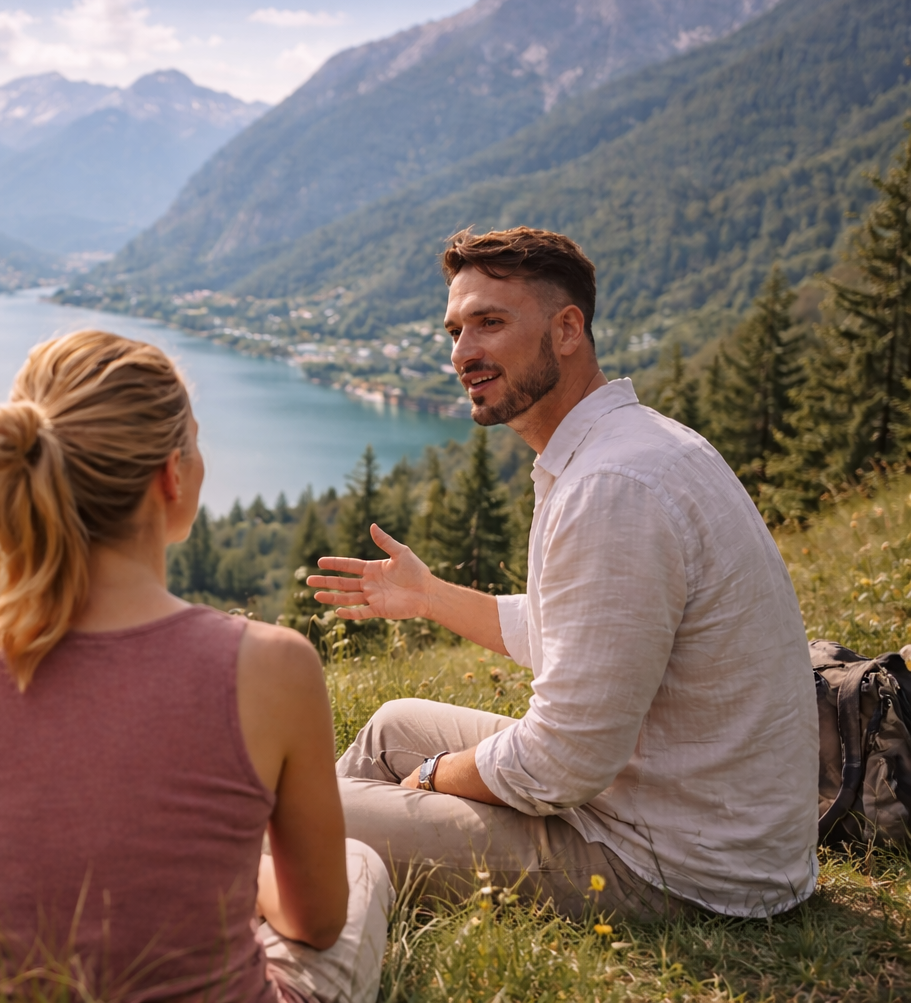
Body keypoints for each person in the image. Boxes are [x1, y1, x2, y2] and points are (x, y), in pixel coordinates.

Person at [309, 228, 818, 921]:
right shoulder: (626, 446)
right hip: (682, 813)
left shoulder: (614, 485)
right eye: (456, 329)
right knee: (392, 725)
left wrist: (431, 780)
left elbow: (562, 761)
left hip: (676, 863)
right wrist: (426, 596)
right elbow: (571, 627)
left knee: (301, 812)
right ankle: (333, 901)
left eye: (491, 323)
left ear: (568, 328)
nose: (464, 353)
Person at [0, 330, 395, 1003]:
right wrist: (238, 878)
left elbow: (12, 877)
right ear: (171, 475)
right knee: (361, 865)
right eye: (195, 442)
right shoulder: (271, 666)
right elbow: (316, 922)